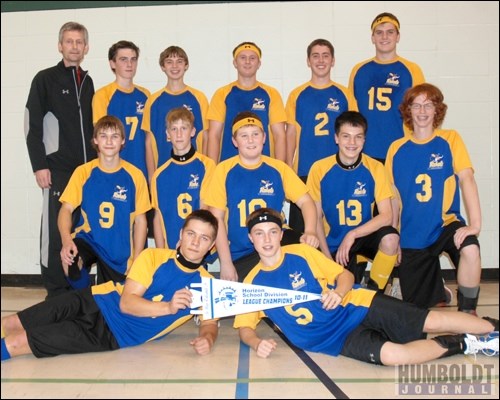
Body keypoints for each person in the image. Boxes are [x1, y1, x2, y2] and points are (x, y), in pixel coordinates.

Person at [234, 207, 498, 366]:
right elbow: (245, 327)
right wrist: (257, 343)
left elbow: (345, 277)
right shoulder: (253, 283)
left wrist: (339, 293)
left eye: (272, 231)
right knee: (395, 357)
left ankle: (492, 328)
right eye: (259, 233)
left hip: (356, 306)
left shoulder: (302, 253)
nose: (266, 239)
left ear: (281, 234)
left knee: (432, 321)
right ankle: (465, 344)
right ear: (250, 238)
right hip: (334, 339)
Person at [1, 210, 219, 362]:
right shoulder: (154, 256)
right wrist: (168, 308)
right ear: (181, 235)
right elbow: (127, 303)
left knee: (18, 343)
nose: (195, 242)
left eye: (204, 238)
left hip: (111, 333)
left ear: (211, 246)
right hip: (95, 299)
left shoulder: (206, 285)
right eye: (191, 234)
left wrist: (207, 339)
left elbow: (209, 323)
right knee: (11, 323)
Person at [385, 83, 482, 313]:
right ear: (408, 111)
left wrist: (475, 225)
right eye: (416, 105)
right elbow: (393, 199)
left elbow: (466, 179)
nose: (422, 111)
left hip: (445, 226)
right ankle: (440, 291)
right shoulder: (396, 149)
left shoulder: (450, 139)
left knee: (470, 249)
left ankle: (468, 311)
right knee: (417, 311)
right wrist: (394, 234)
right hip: (412, 236)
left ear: (437, 110)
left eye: (428, 105)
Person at [25, 21, 96, 298]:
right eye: (69, 41)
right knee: (55, 232)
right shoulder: (45, 79)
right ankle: (55, 290)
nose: (74, 46)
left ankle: (75, 286)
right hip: (57, 169)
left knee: (79, 228)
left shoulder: (87, 81)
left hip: (86, 170)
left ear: (86, 47)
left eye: (79, 42)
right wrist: (39, 165)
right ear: (60, 46)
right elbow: (32, 126)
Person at [203, 112, 319, 282]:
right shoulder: (223, 170)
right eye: (244, 136)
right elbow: (217, 219)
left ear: (264, 137)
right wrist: (226, 263)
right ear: (235, 141)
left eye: (255, 134)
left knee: (309, 258)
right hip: (241, 252)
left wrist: (310, 231)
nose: (251, 141)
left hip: (277, 245)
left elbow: (306, 201)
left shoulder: (278, 168)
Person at [307, 111, 399, 292]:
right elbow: (315, 217)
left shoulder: (375, 168)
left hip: (362, 236)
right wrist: (327, 258)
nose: (352, 143)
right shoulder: (319, 169)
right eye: (346, 136)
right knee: (343, 295)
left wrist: (353, 234)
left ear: (364, 140)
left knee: (391, 238)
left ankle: (376, 293)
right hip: (332, 243)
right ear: (336, 138)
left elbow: (387, 215)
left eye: (358, 137)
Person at [58, 116, 151, 288]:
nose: (109, 141)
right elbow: (65, 209)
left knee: (117, 304)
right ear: (95, 140)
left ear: (123, 140)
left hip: (119, 250)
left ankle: (102, 294)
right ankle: (84, 295)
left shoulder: (135, 175)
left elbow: (141, 221)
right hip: (90, 239)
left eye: (114, 136)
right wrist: (66, 241)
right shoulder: (83, 172)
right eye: (103, 136)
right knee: (69, 259)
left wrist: (137, 258)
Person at [286, 38, 357, 234]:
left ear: (333, 61)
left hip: (338, 171)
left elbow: (355, 134)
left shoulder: (344, 94)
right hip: (304, 171)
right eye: (315, 56)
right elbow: (290, 135)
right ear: (308, 61)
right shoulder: (297, 94)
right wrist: (286, 172)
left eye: (326, 56)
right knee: (302, 233)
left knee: (339, 229)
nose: (320, 60)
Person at [348, 12, 425, 163]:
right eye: (379, 33)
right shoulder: (359, 70)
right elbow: (351, 114)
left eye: (390, 32)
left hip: (402, 149)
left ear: (398, 37)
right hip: (365, 151)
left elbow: (423, 111)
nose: (384, 37)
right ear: (372, 38)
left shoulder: (411, 70)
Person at [206, 41, 287, 164]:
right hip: (228, 167)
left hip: (264, 167)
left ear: (259, 63)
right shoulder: (222, 94)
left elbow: (279, 135)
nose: (247, 62)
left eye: (252, 58)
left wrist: (281, 170)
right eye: (243, 58)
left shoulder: (271, 94)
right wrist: (212, 169)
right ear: (235, 63)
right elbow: (214, 135)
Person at [151, 107, 215, 249]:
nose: (179, 134)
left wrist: (191, 246)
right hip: (170, 250)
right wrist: (161, 253)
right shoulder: (159, 175)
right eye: (174, 129)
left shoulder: (206, 166)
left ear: (192, 132)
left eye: (184, 128)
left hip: (197, 249)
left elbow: (205, 210)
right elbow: (158, 217)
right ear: (168, 134)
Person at [92, 40, 152, 182]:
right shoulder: (103, 95)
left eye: (133, 60)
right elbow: (99, 139)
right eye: (123, 59)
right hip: (113, 169)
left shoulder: (146, 95)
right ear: (112, 63)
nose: (129, 64)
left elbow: (149, 139)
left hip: (140, 168)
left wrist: (151, 174)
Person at [141, 46, 209, 169]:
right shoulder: (153, 101)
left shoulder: (199, 98)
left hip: (194, 169)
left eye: (179, 61)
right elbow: (149, 142)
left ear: (186, 66)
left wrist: (204, 168)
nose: (174, 66)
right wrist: (152, 177)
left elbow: (205, 137)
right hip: (163, 168)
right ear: (162, 67)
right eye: (169, 62)